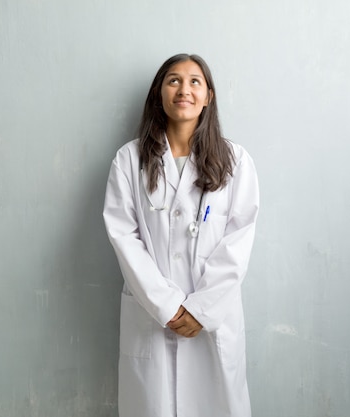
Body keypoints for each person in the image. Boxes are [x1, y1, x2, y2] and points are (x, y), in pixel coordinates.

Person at [103, 53, 259, 417]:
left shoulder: (236, 161)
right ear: (159, 92)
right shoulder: (129, 160)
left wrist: (201, 309)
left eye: (194, 82)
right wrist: (168, 305)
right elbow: (123, 236)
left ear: (208, 97)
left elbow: (239, 240)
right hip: (153, 316)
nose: (183, 89)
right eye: (173, 80)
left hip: (212, 320)